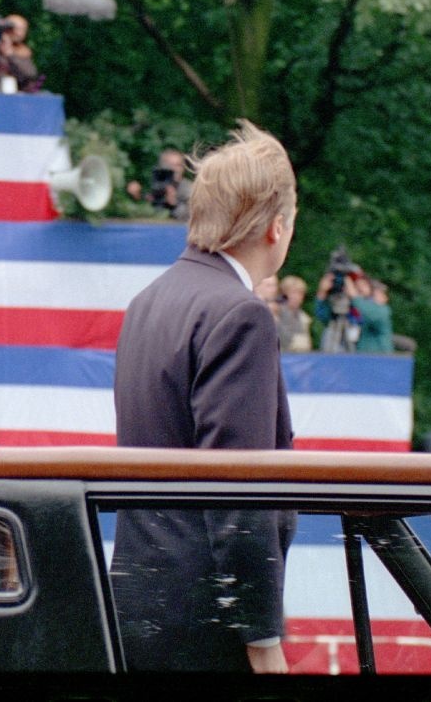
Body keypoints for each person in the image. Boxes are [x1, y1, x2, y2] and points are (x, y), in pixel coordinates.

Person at [111, 120, 299, 673]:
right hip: (208, 626)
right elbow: (237, 492)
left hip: (142, 607)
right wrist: (263, 640)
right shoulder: (240, 315)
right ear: (276, 227)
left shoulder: (148, 301)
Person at [313, 269, 393, 353]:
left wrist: (353, 295)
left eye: (363, 285)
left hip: (376, 360)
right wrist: (322, 292)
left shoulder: (380, 309)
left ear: (371, 289)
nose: (358, 288)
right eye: (355, 285)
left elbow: (368, 313)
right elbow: (324, 318)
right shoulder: (346, 309)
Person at [0, 14, 40, 93]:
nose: (18, 33)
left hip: (12, 100)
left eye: (22, 30)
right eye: (13, 29)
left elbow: (30, 75)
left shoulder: (22, 52)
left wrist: (9, 53)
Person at [126, 147, 193, 220]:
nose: (176, 169)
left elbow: (192, 217)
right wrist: (136, 195)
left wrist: (173, 204)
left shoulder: (189, 189)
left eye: (179, 165)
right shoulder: (151, 183)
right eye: (171, 165)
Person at [276, 274, 313, 351]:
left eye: (300, 293)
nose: (297, 297)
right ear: (284, 294)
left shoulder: (304, 318)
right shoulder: (276, 313)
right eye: (293, 292)